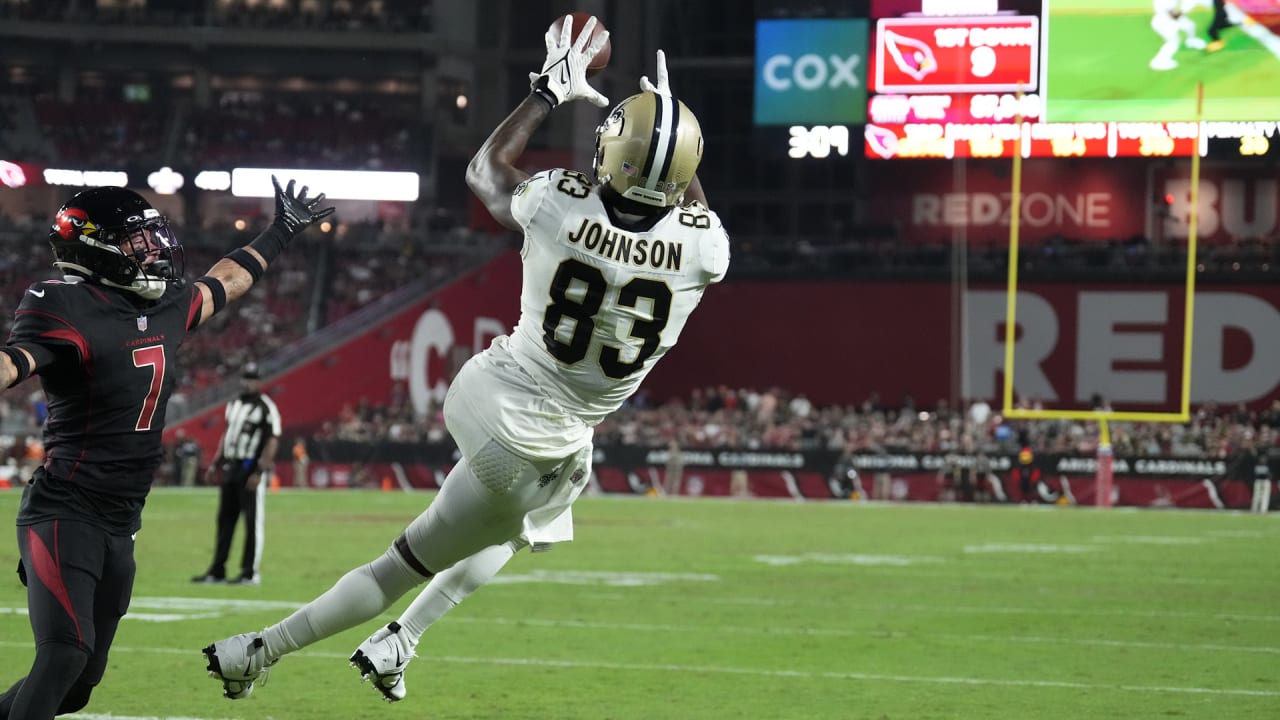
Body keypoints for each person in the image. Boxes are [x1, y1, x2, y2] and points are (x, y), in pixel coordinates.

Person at [202, 26, 729, 706]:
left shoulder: (561, 204)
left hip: (501, 401)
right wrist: (673, 132)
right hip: (545, 430)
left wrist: (548, 92)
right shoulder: (704, 249)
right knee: (420, 555)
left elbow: (484, 171)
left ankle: (398, 640)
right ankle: (261, 651)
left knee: (518, 525)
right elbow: (694, 210)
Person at [0, 178, 333, 720]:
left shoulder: (168, 304)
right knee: (62, 656)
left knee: (80, 682)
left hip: (121, 519)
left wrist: (281, 231)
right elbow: (14, 363)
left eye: (154, 238)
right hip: (66, 509)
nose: (154, 250)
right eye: (138, 241)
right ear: (96, 248)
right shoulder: (61, 303)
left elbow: (226, 280)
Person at [191, 361, 282, 586]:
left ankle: (249, 572)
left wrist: (260, 470)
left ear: (261, 382)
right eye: (246, 378)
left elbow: (272, 440)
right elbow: (228, 434)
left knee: (252, 522)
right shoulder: (233, 404)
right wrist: (217, 462)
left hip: (250, 466)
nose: (249, 382)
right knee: (225, 520)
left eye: (253, 379)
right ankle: (217, 570)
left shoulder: (266, 407)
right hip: (232, 465)